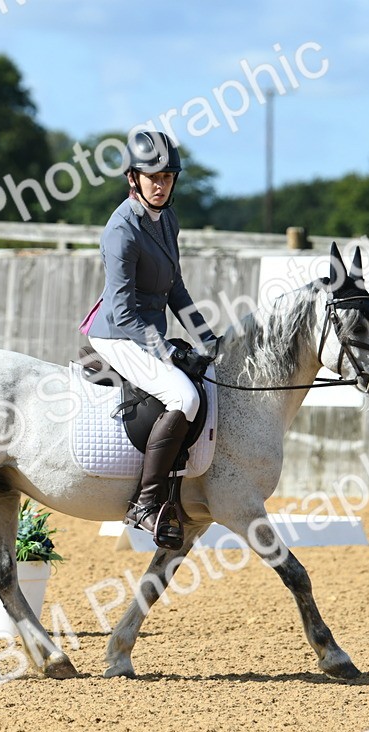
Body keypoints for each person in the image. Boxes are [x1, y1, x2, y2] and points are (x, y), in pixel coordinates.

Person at [81, 130, 219, 549]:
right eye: (151, 177)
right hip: (118, 335)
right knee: (186, 398)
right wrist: (166, 352)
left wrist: (208, 337)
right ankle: (145, 503)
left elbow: (175, 288)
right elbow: (122, 312)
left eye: (167, 177)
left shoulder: (168, 219)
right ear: (133, 178)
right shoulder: (121, 230)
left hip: (148, 331)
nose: (160, 185)